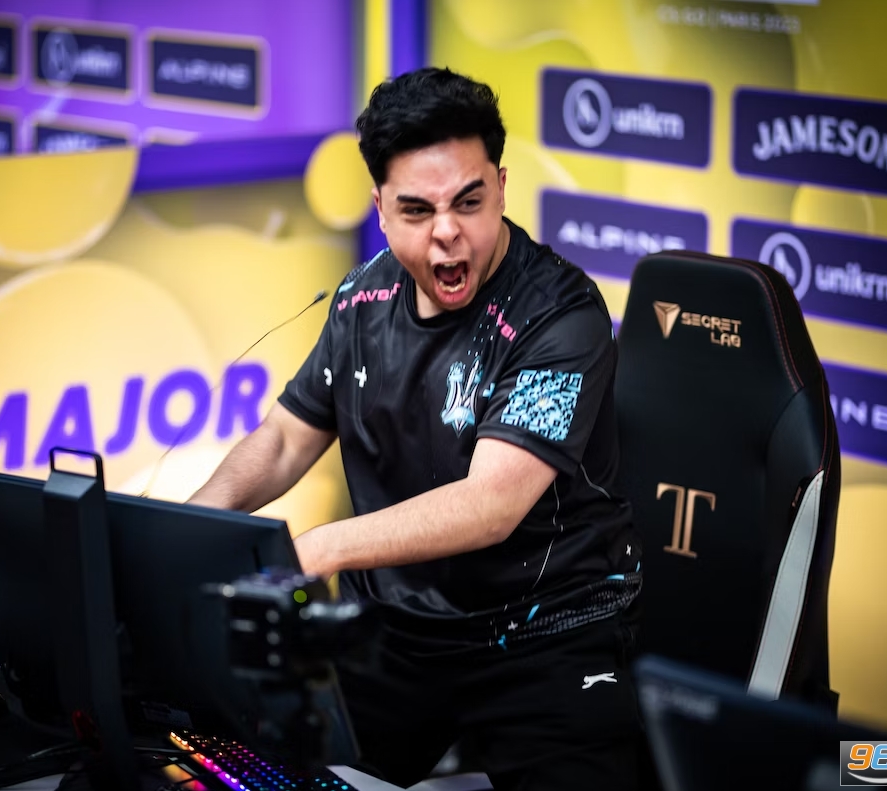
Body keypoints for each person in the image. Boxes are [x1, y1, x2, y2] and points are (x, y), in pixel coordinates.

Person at [189, 67, 645, 790]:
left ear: (501, 187)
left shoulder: (563, 314)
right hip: (396, 634)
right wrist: (184, 529)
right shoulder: (360, 298)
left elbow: (491, 504)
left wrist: (319, 548)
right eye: (416, 210)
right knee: (241, 765)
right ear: (380, 208)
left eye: (469, 201)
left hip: (550, 632)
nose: (447, 233)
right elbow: (282, 440)